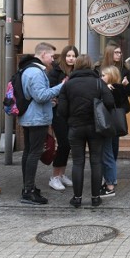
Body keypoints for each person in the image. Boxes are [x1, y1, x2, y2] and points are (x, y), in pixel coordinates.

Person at [57, 55, 114, 208]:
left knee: (77, 162)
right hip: (95, 127)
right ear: (90, 66)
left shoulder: (68, 84)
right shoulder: (98, 82)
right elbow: (110, 102)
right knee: (96, 161)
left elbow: (61, 110)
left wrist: (71, 116)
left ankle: (77, 198)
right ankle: (95, 198)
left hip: (75, 128)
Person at [18, 42, 63, 205]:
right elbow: (40, 96)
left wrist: (49, 102)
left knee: (29, 152)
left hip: (32, 116)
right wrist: (61, 86)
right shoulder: (36, 72)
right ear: (43, 54)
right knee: (34, 153)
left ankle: (28, 187)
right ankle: (28, 191)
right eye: (51, 56)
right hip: (36, 119)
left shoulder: (28, 69)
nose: (52, 60)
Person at [47, 45, 78, 192]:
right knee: (64, 143)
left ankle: (62, 173)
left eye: (73, 56)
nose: (71, 58)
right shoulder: (56, 71)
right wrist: (62, 84)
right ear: (64, 57)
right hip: (58, 112)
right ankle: (54, 177)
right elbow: (50, 90)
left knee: (68, 144)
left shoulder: (77, 71)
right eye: (69, 56)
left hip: (72, 112)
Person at [99, 65, 130, 197]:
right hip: (115, 127)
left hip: (107, 125)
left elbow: (107, 105)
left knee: (107, 154)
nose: (101, 78)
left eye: (103, 75)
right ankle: (111, 178)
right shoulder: (120, 89)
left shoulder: (111, 90)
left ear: (110, 76)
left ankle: (109, 183)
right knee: (112, 152)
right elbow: (127, 108)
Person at [100, 43, 130, 160]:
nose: (119, 55)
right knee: (103, 140)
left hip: (117, 109)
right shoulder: (99, 68)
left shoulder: (124, 69)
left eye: (120, 52)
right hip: (102, 109)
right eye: (116, 52)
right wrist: (105, 85)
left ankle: (111, 169)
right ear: (109, 53)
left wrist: (125, 85)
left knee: (114, 139)